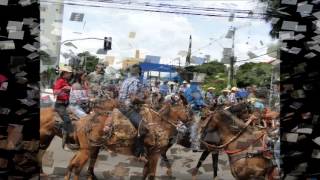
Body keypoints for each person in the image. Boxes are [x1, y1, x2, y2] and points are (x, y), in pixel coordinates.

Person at [118, 64, 148, 160]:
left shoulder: (127, 80)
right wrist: (144, 101)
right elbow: (133, 98)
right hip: (128, 107)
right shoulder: (135, 82)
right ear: (139, 72)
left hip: (126, 105)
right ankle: (139, 152)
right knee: (142, 124)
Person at [53, 65, 74, 149]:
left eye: (70, 73)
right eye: (69, 73)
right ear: (64, 73)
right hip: (59, 105)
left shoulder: (66, 81)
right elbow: (55, 92)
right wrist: (64, 89)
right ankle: (65, 143)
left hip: (66, 104)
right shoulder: (60, 81)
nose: (70, 74)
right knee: (67, 120)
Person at [184, 80, 206, 151]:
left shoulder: (188, 89)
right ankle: (194, 146)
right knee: (196, 127)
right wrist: (203, 105)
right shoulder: (195, 90)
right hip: (195, 110)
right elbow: (198, 101)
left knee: (196, 127)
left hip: (189, 109)